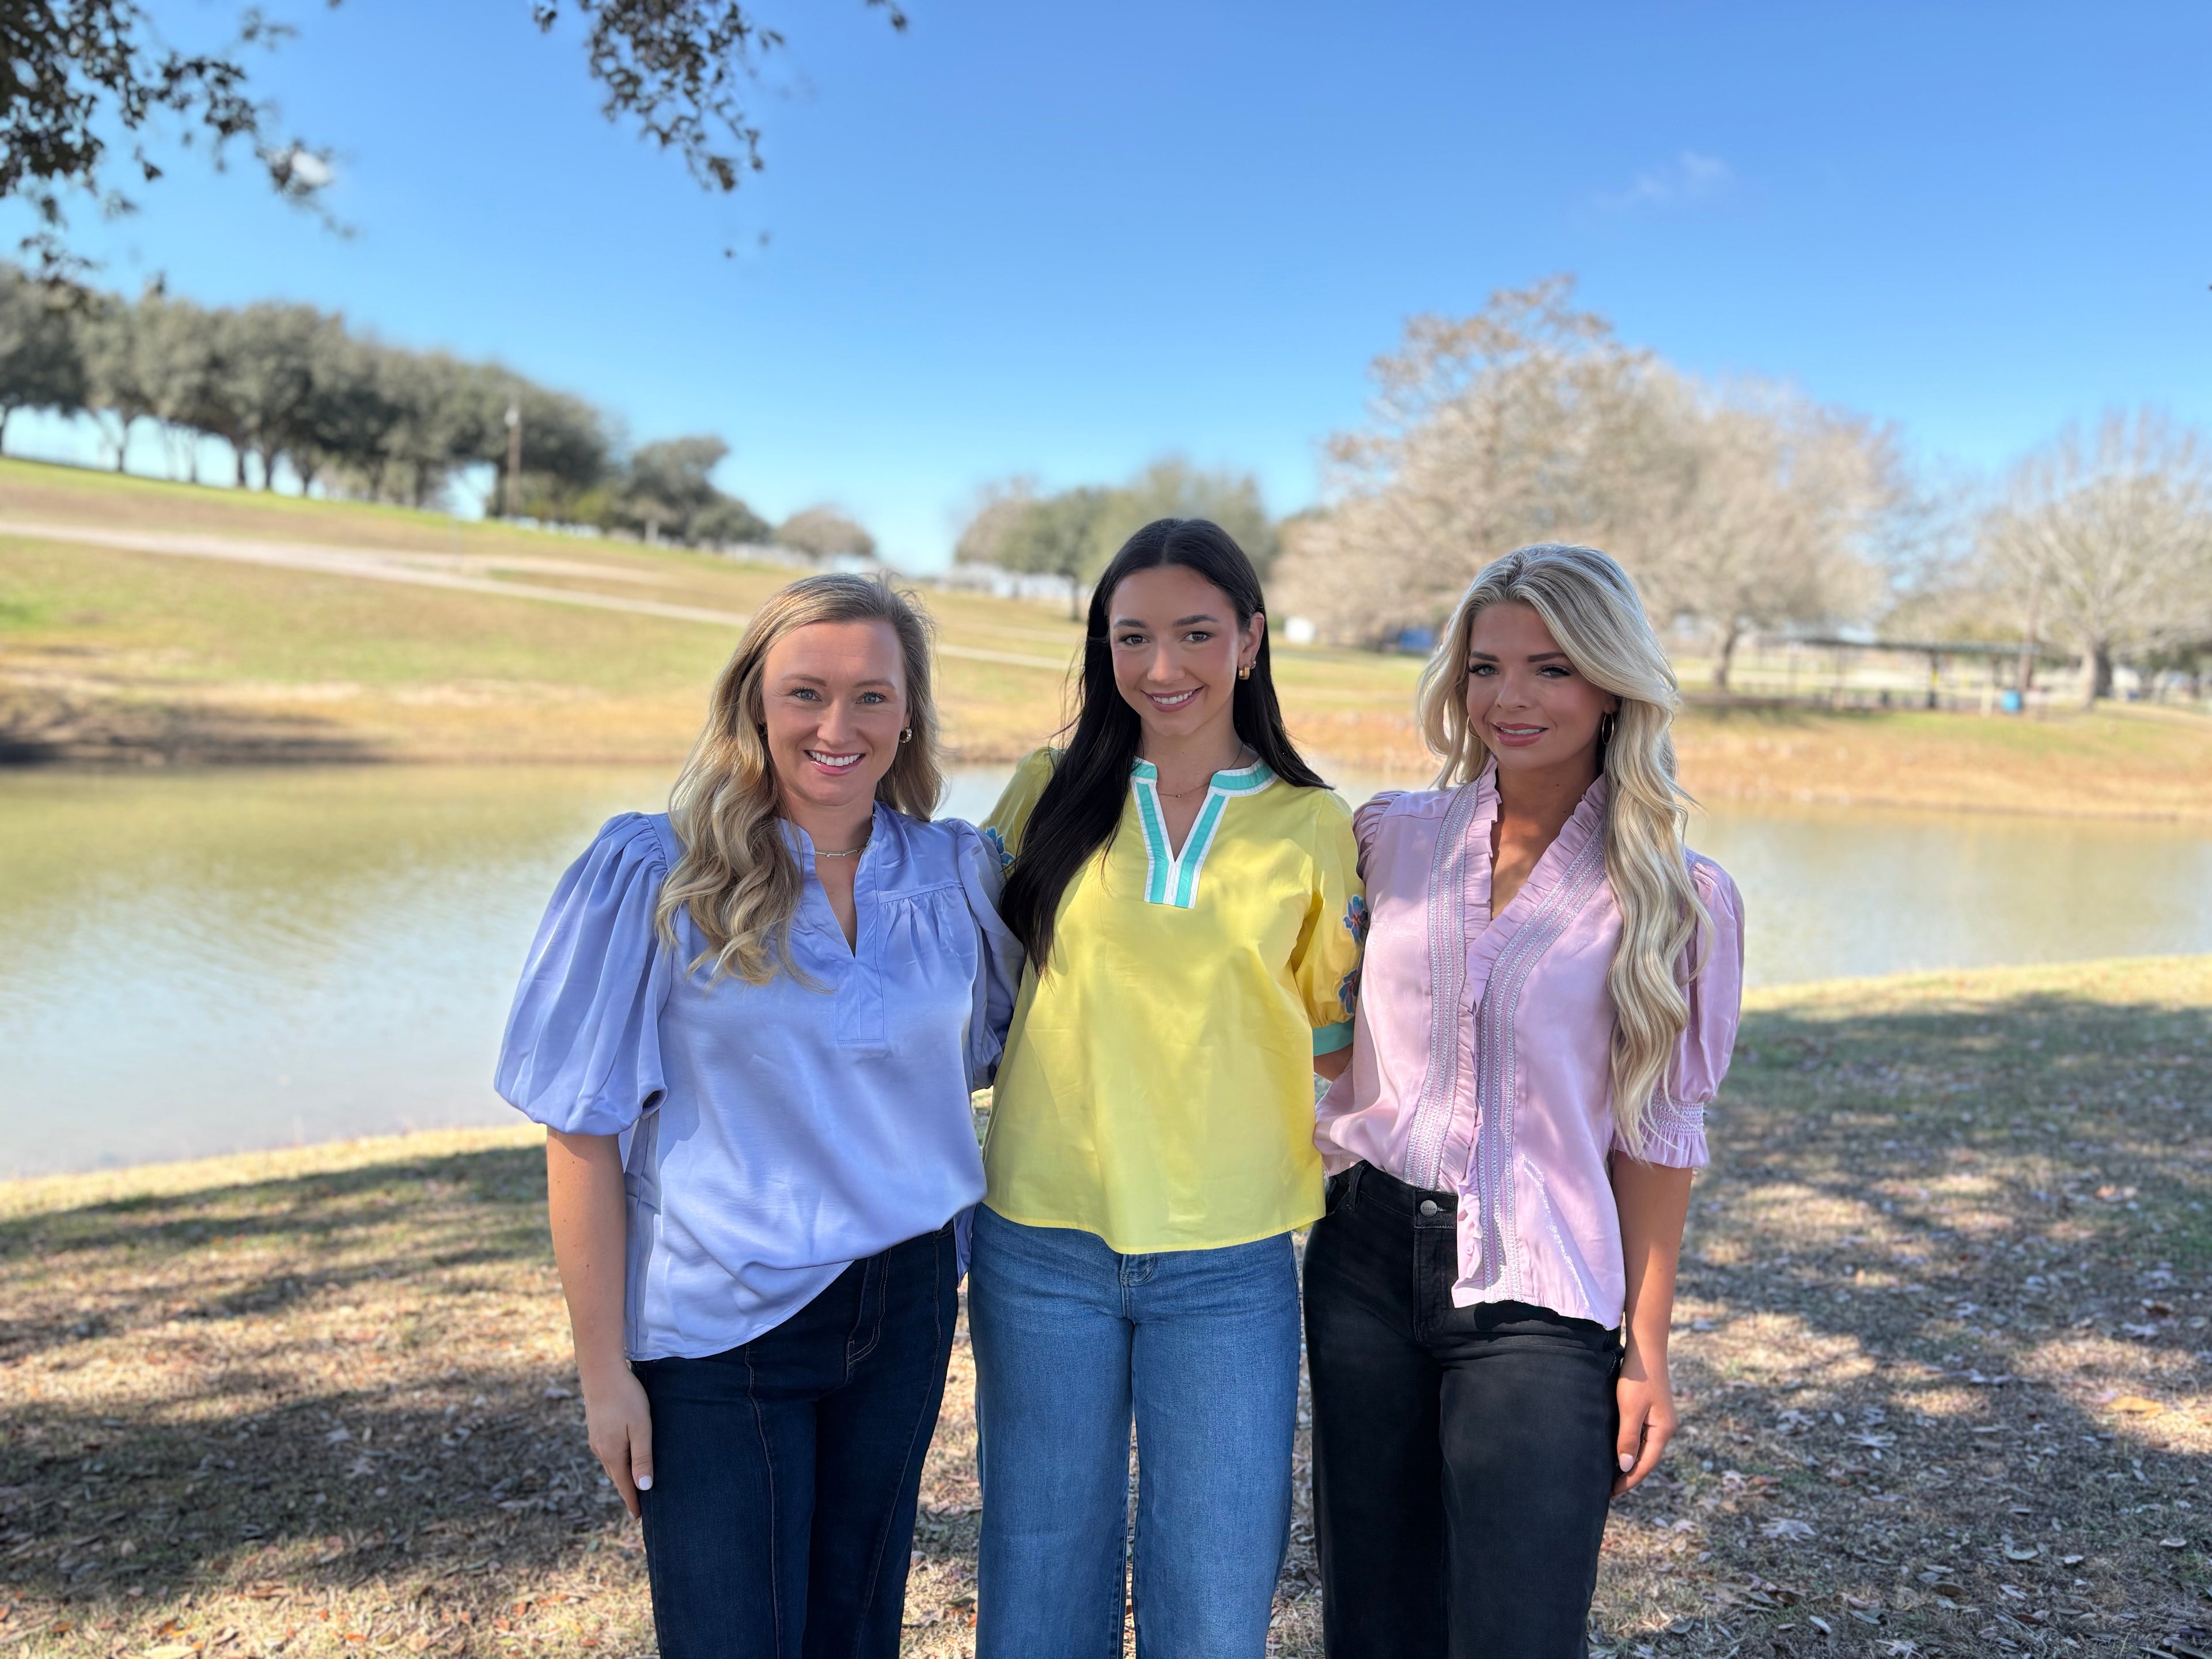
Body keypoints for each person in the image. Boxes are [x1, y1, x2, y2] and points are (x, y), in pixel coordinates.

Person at [494, 573, 1021, 1659]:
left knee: (857, 1631)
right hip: (719, 1325)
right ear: (755, 703)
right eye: (806, 693)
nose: (838, 727)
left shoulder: (957, 873)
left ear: (909, 714)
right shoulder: (657, 871)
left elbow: (983, 1056)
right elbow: (581, 1130)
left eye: (872, 696)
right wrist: (603, 1374)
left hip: (908, 1302)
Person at [1307, 543, 1745, 1658]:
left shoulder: (1677, 899)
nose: (1510, 698)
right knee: (1374, 1622)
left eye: (1551, 668)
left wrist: (1648, 1350)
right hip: (1362, 1266)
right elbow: (1318, 1020)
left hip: (1541, 1295)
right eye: (1485, 667)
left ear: (1612, 686)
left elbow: (1659, 1138)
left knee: (1520, 1630)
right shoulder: (1388, 839)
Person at [969, 518, 1366, 1659]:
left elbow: (1337, 1046)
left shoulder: (1312, 825)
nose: (1160, 667)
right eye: (1130, 636)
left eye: (1195, 633)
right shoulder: (1046, 791)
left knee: (1214, 1587)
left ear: (1251, 641)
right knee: (1039, 1573)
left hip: (1229, 1259)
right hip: (1039, 1240)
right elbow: (967, 985)